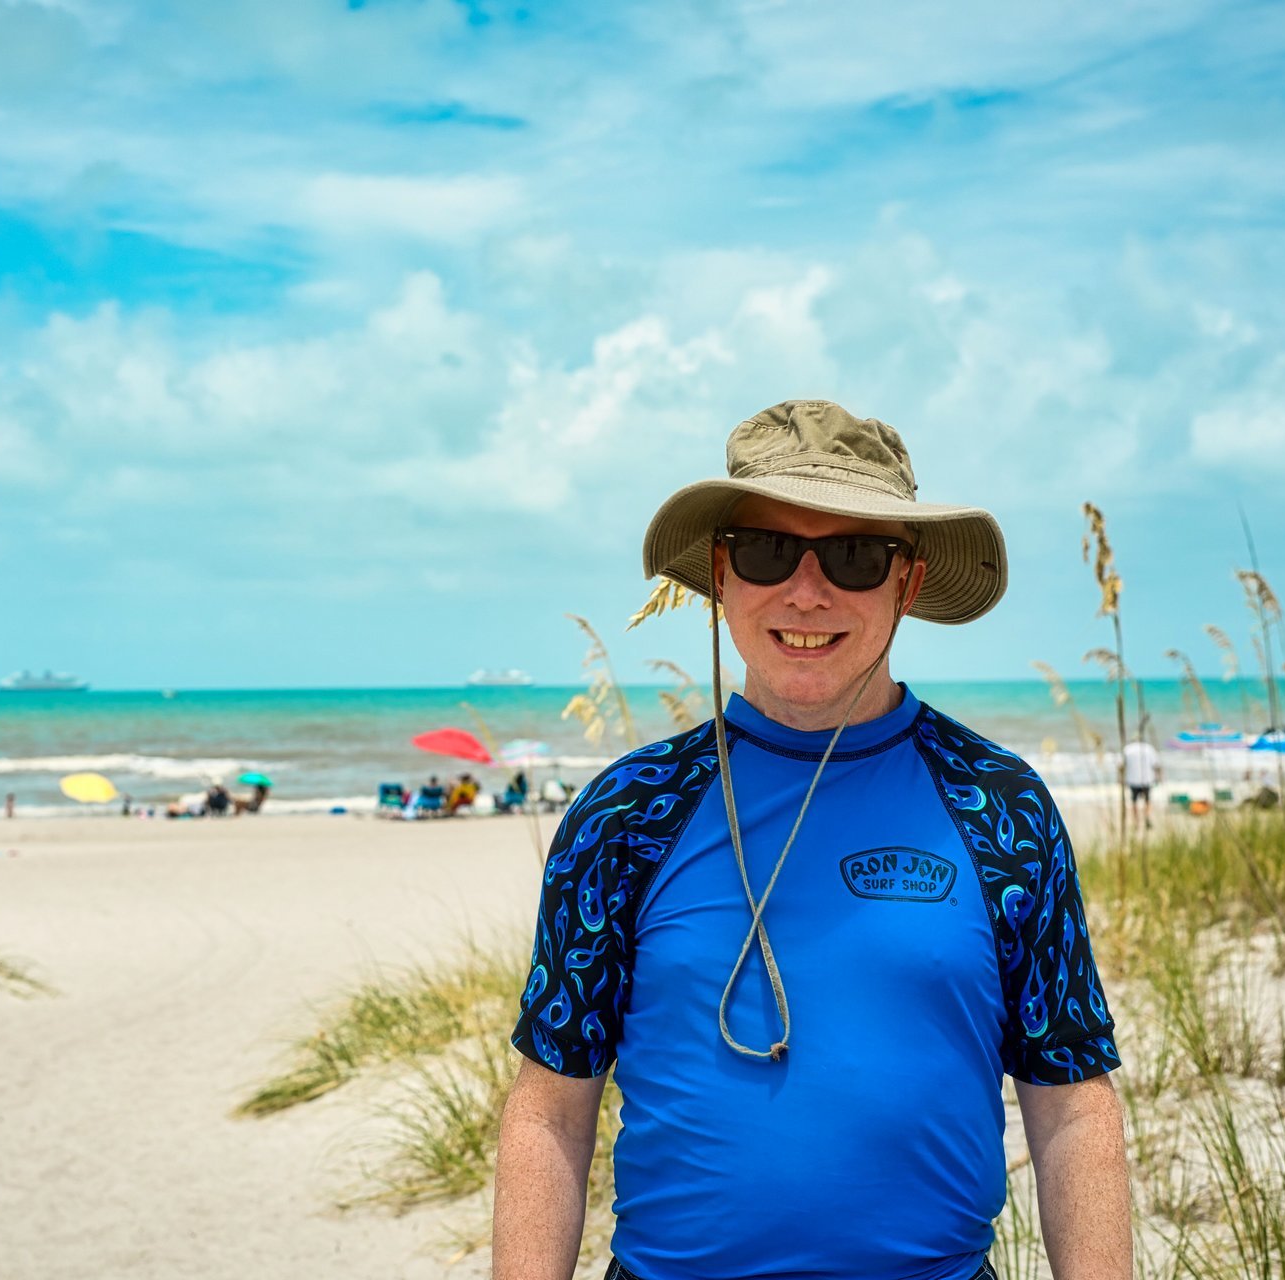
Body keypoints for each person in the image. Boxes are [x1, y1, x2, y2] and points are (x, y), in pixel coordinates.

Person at [492, 402, 1131, 1280]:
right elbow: (550, 1110)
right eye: (765, 551)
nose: (806, 591)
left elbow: (1071, 1107)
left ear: (906, 584)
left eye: (855, 557)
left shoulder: (998, 804)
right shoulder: (627, 814)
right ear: (721, 573)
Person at [1121, 730, 1161, 829]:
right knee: (1147, 800)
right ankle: (1146, 817)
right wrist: (1159, 778)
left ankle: (1136, 822)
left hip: (1132, 779)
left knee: (1134, 801)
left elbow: (1121, 766)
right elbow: (1156, 765)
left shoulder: (1127, 749)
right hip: (1147, 779)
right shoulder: (1149, 748)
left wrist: (1120, 779)